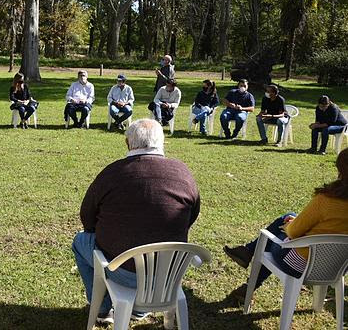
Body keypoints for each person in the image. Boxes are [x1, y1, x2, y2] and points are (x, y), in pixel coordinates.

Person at [72, 119, 200, 325]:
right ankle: (138, 311)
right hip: (170, 272)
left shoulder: (111, 173)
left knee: (80, 241)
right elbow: (191, 217)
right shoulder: (183, 172)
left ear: (127, 143)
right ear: (162, 143)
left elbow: (87, 219)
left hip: (122, 269)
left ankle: (103, 310)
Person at [224, 148, 348, 301]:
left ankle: (249, 267)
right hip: (337, 268)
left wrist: (290, 224)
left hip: (300, 265)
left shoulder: (327, 200)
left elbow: (294, 232)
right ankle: (247, 259)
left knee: (279, 229)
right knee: (290, 218)